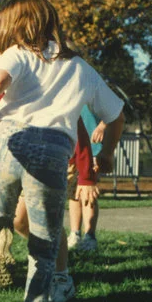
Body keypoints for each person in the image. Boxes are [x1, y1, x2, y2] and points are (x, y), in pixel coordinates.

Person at [0, 0, 125, 302]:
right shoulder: (81, 68)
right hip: (52, 150)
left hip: (6, 140)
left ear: (14, 27)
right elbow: (116, 114)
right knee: (44, 242)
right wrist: (109, 152)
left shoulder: (17, 54)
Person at [0, 104, 93, 302]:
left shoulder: (53, 88)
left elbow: (79, 131)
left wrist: (87, 178)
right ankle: (43, 254)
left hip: (56, 158)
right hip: (19, 161)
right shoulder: (3, 96)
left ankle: (60, 276)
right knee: (20, 222)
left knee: (48, 219)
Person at [67, 108, 106, 253]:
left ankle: (89, 236)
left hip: (93, 148)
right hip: (73, 148)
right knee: (73, 193)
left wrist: (102, 126)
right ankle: (74, 233)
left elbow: (115, 113)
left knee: (87, 192)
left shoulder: (94, 87)